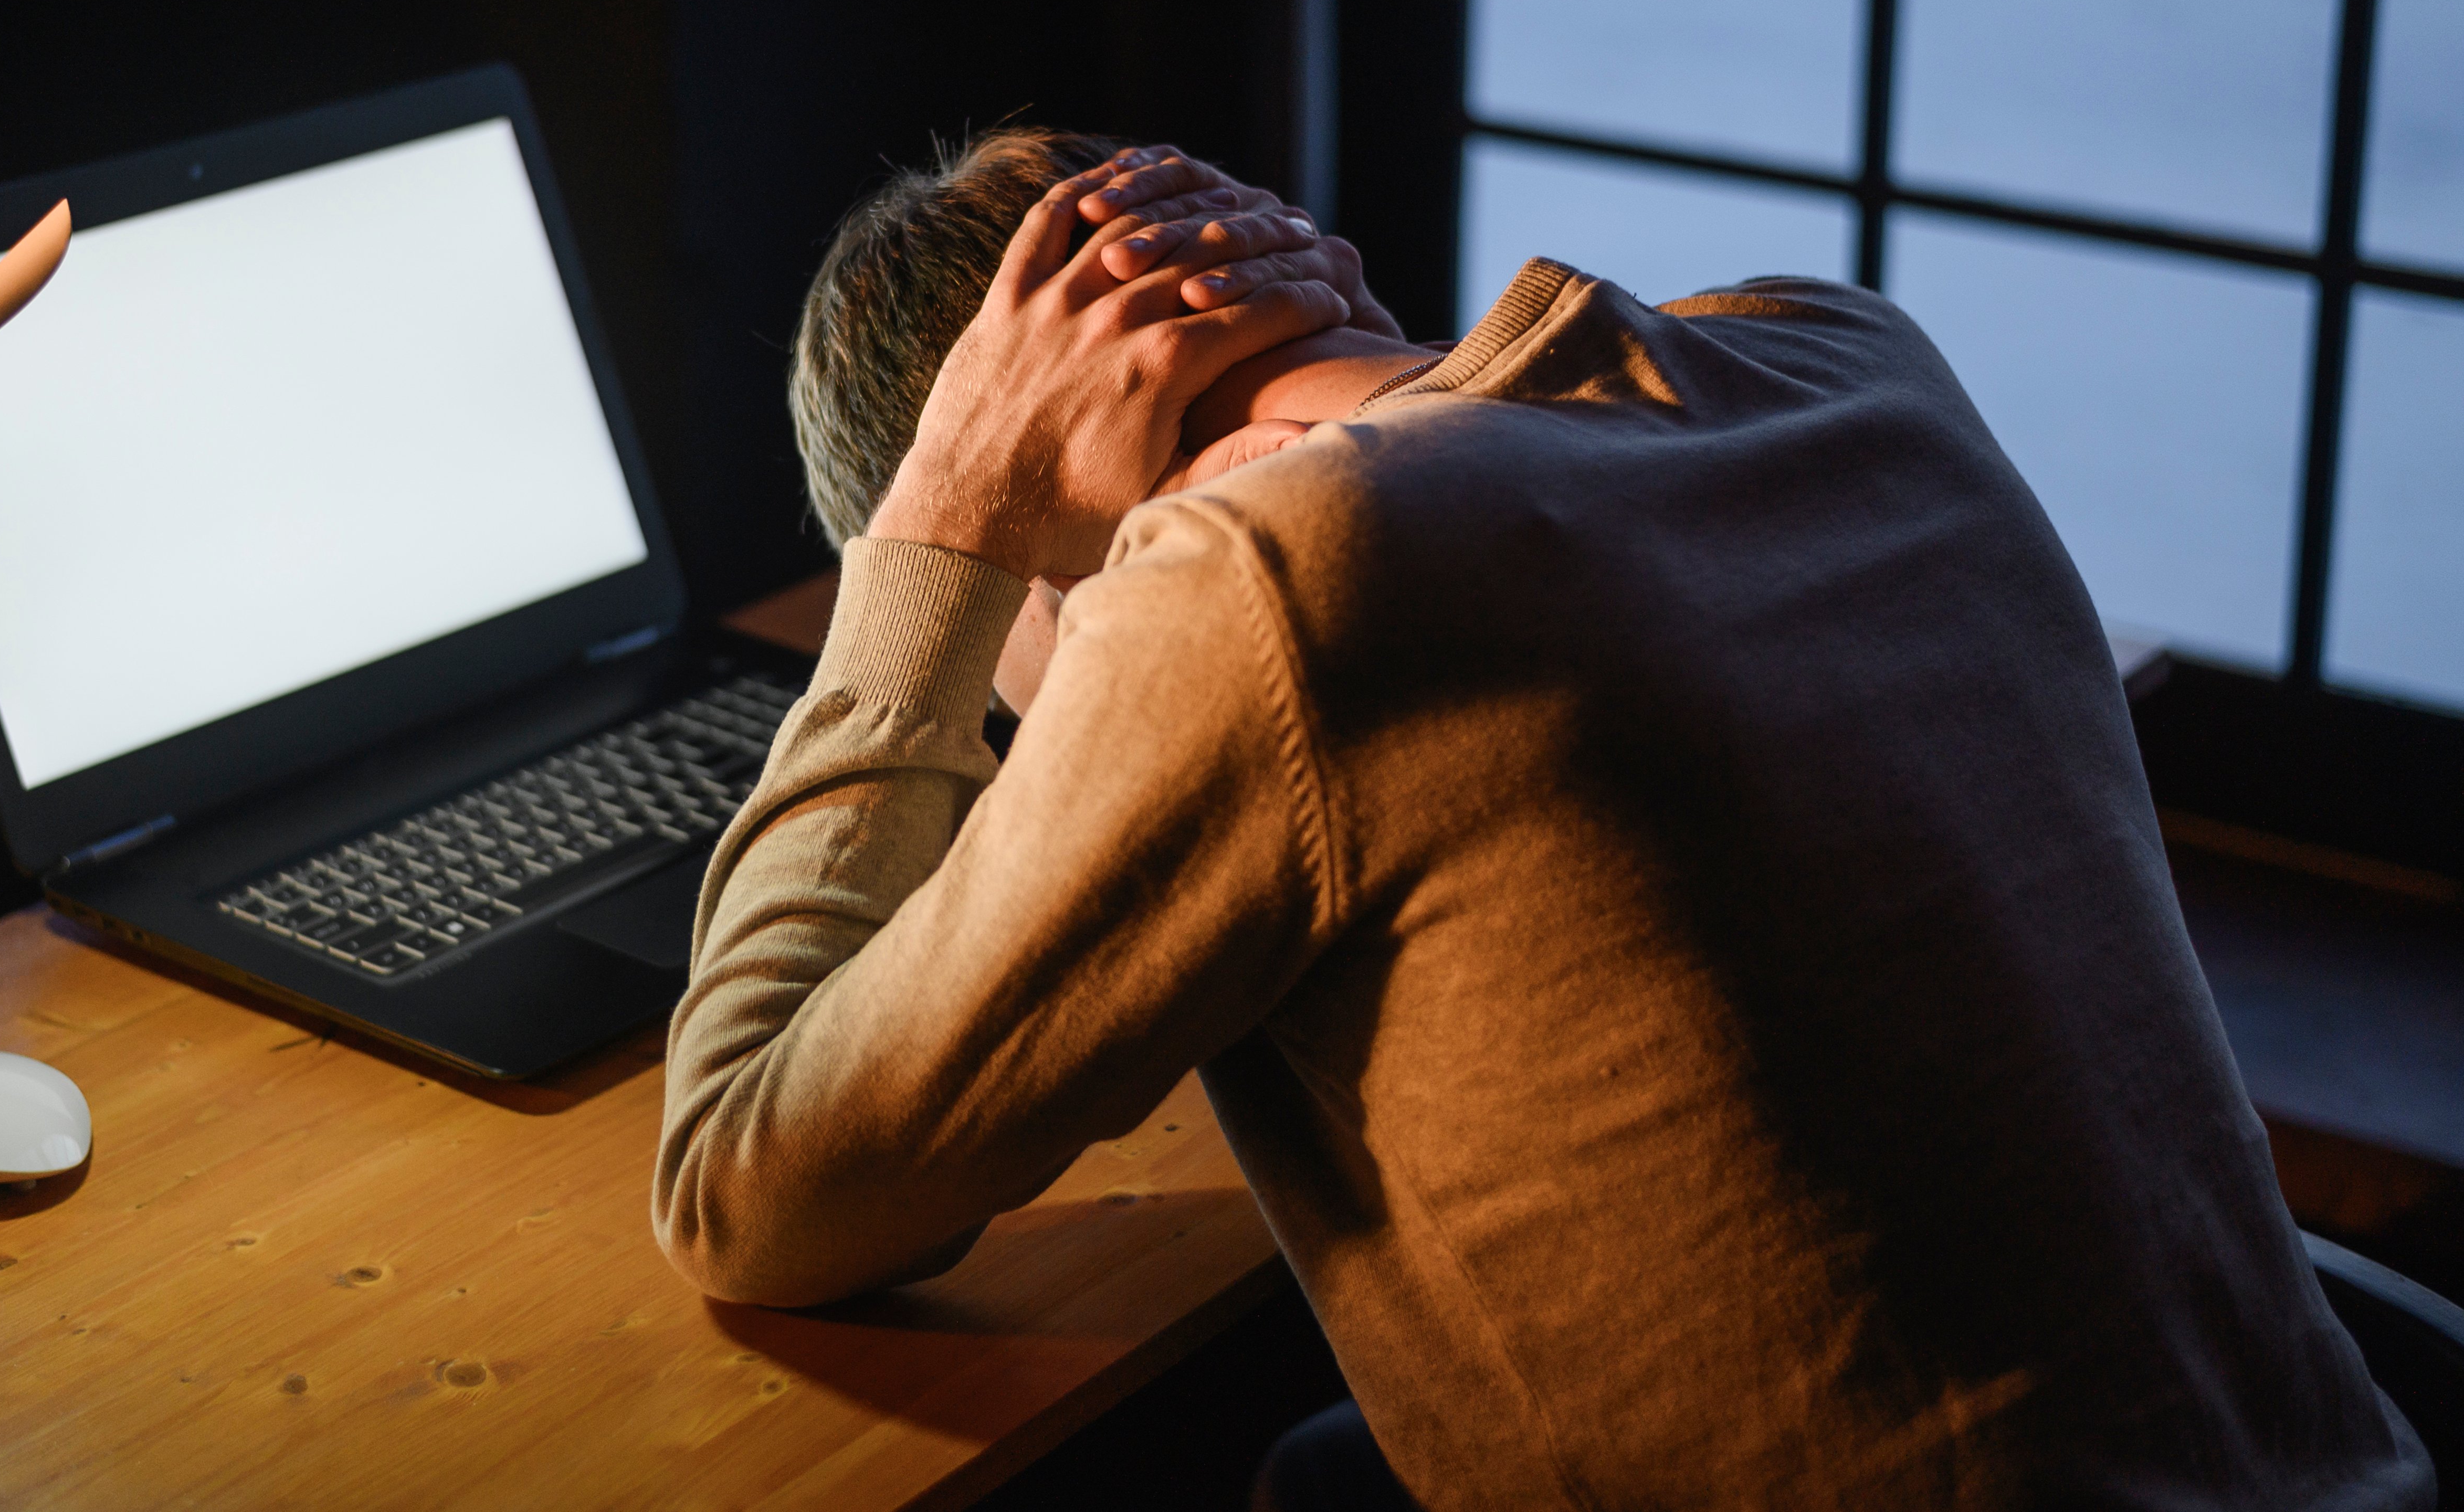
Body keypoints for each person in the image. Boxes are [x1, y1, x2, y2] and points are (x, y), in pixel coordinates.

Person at [650, 128, 2431, 1509]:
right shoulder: (1849, 359)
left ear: (1032, 481)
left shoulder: (1260, 580)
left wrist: (933, 550)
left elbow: (748, 1190)